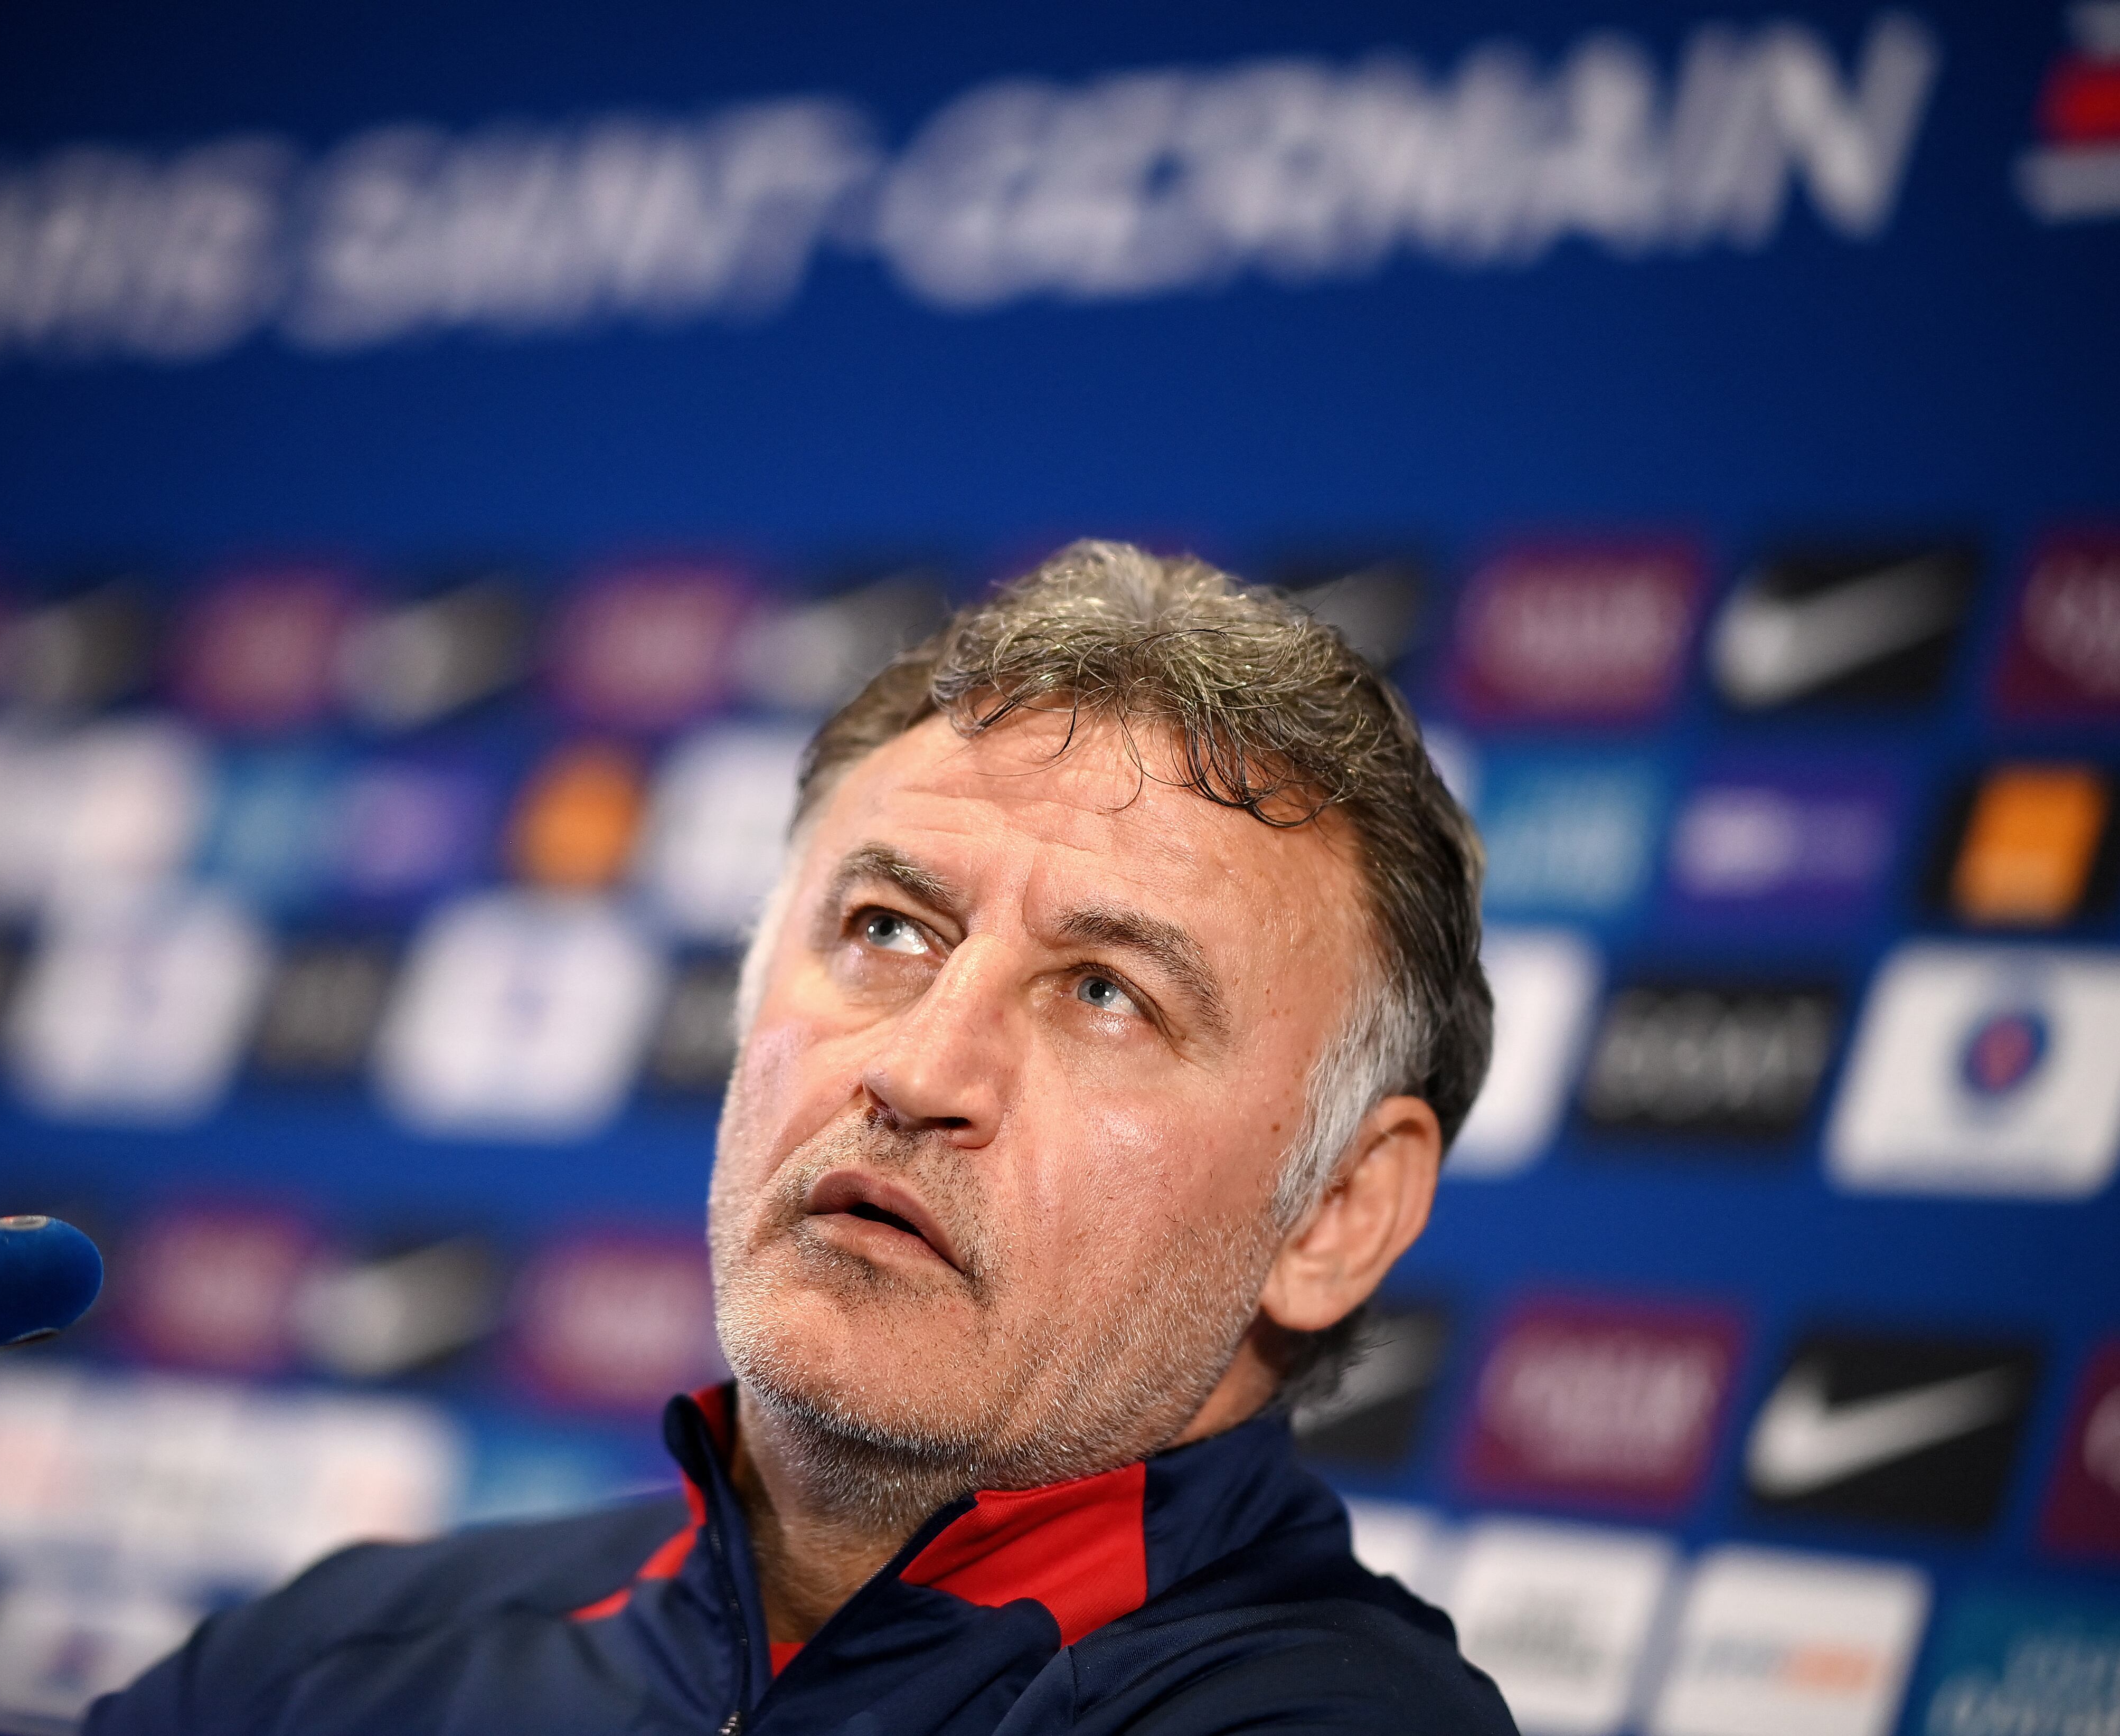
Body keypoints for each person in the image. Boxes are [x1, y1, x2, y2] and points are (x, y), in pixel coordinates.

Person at [87, 541, 1512, 1735]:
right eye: (888, 930)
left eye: (1105, 994)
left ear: (1334, 1213)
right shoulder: (341, 1666)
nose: (917, 1068)